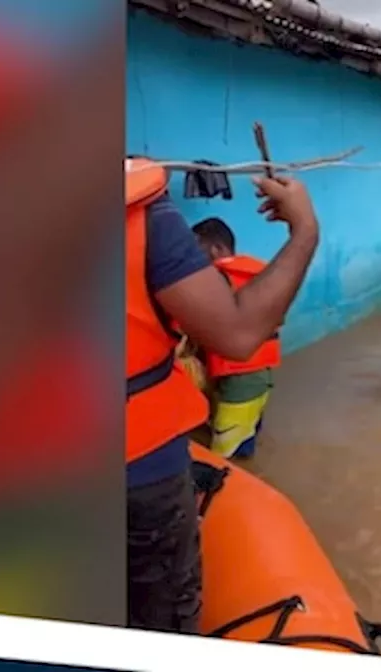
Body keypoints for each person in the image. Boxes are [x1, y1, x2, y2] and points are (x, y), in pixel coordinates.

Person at [124, 158, 319, 633]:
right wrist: (305, 231)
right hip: (139, 467)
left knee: (231, 441)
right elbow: (237, 332)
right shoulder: (139, 213)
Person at [190, 217, 281, 460]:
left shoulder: (213, 280)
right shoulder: (261, 272)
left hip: (238, 380)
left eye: (196, 251)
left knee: (221, 461)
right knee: (245, 441)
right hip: (262, 375)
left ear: (216, 249)